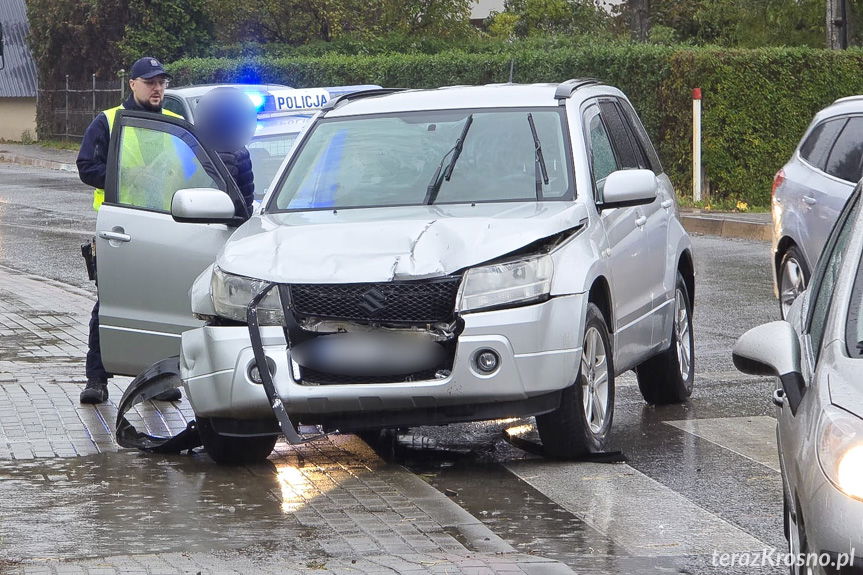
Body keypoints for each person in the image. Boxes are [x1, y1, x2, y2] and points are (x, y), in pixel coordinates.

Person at [76, 56, 183, 404]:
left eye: (162, 82)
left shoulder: (176, 123)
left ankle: (158, 381)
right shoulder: (108, 121)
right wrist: (123, 178)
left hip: (167, 228)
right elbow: (86, 166)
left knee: (162, 305)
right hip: (120, 230)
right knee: (110, 302)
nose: (158, 88)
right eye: (151, 82)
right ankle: (97, 379)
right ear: (133, 84)